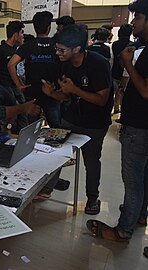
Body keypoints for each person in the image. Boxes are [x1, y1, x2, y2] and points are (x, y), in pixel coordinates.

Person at [86, 0, 148, 241]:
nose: (134, 22)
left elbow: (145, 90)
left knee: (132, 180)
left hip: (140, 126)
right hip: (142, 124)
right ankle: (139, 213)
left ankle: (123, 230)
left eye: (139, 18)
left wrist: (128, 63)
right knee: (143, 176)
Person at [42, 24, 113, 215]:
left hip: (95, 123)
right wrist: (53, 93)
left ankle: (92, 198)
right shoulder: (64, 64)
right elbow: (66, 96)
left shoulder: (98, 64)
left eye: (61, 50)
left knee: (91, 161)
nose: (57, 53)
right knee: (56, 153)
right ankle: (46, 188)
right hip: (71, 118)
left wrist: (75, 90)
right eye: (56, 48)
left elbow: (101, 100)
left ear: (77, 49)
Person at [8, 11, 61, 128]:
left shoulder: (27, 46)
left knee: (31, 130)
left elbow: (11, 64)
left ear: (34, 27)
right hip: (53, 93)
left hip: (32, 93)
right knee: (56, 128)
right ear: (49, 27)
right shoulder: (56, 45)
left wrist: (19, 85)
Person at [0, 20, 26, 104]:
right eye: (21, 33)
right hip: (6, 87)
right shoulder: (1, 50)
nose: (22, 36)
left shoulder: (17, 49)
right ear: (15, 34)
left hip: (16, 86)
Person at [111, 23, 133, 114]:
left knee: (114, 92)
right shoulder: (131, 45)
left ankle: (115, 108)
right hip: (128, 72)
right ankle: (122, 112)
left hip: (115, 71)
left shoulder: (115, 44)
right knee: (124, 93)